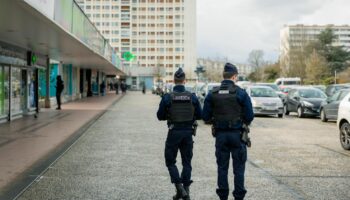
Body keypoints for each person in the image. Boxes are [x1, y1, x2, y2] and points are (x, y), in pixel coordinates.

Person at [202, 63, 254, 200]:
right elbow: (249, 116)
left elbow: (205, 117)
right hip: (238, 136)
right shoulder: (241, 93)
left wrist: (216, 119)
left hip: (220, 136)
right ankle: (239, 197)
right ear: (235, 76)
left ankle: (223, 196)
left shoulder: (212, 93)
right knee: (239, 170)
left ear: (223, 76)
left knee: (222, 168)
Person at [157, 68, 202, 200]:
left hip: (174, 132)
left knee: (170, 161)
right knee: (187, 162)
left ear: (173, 81)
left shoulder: (167, 97)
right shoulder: (192, 97)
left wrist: (168, 114)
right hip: (188, 133)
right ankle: (185, 191)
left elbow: (160, 116)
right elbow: (199, 115)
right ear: (184, 81)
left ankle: (179, 188)